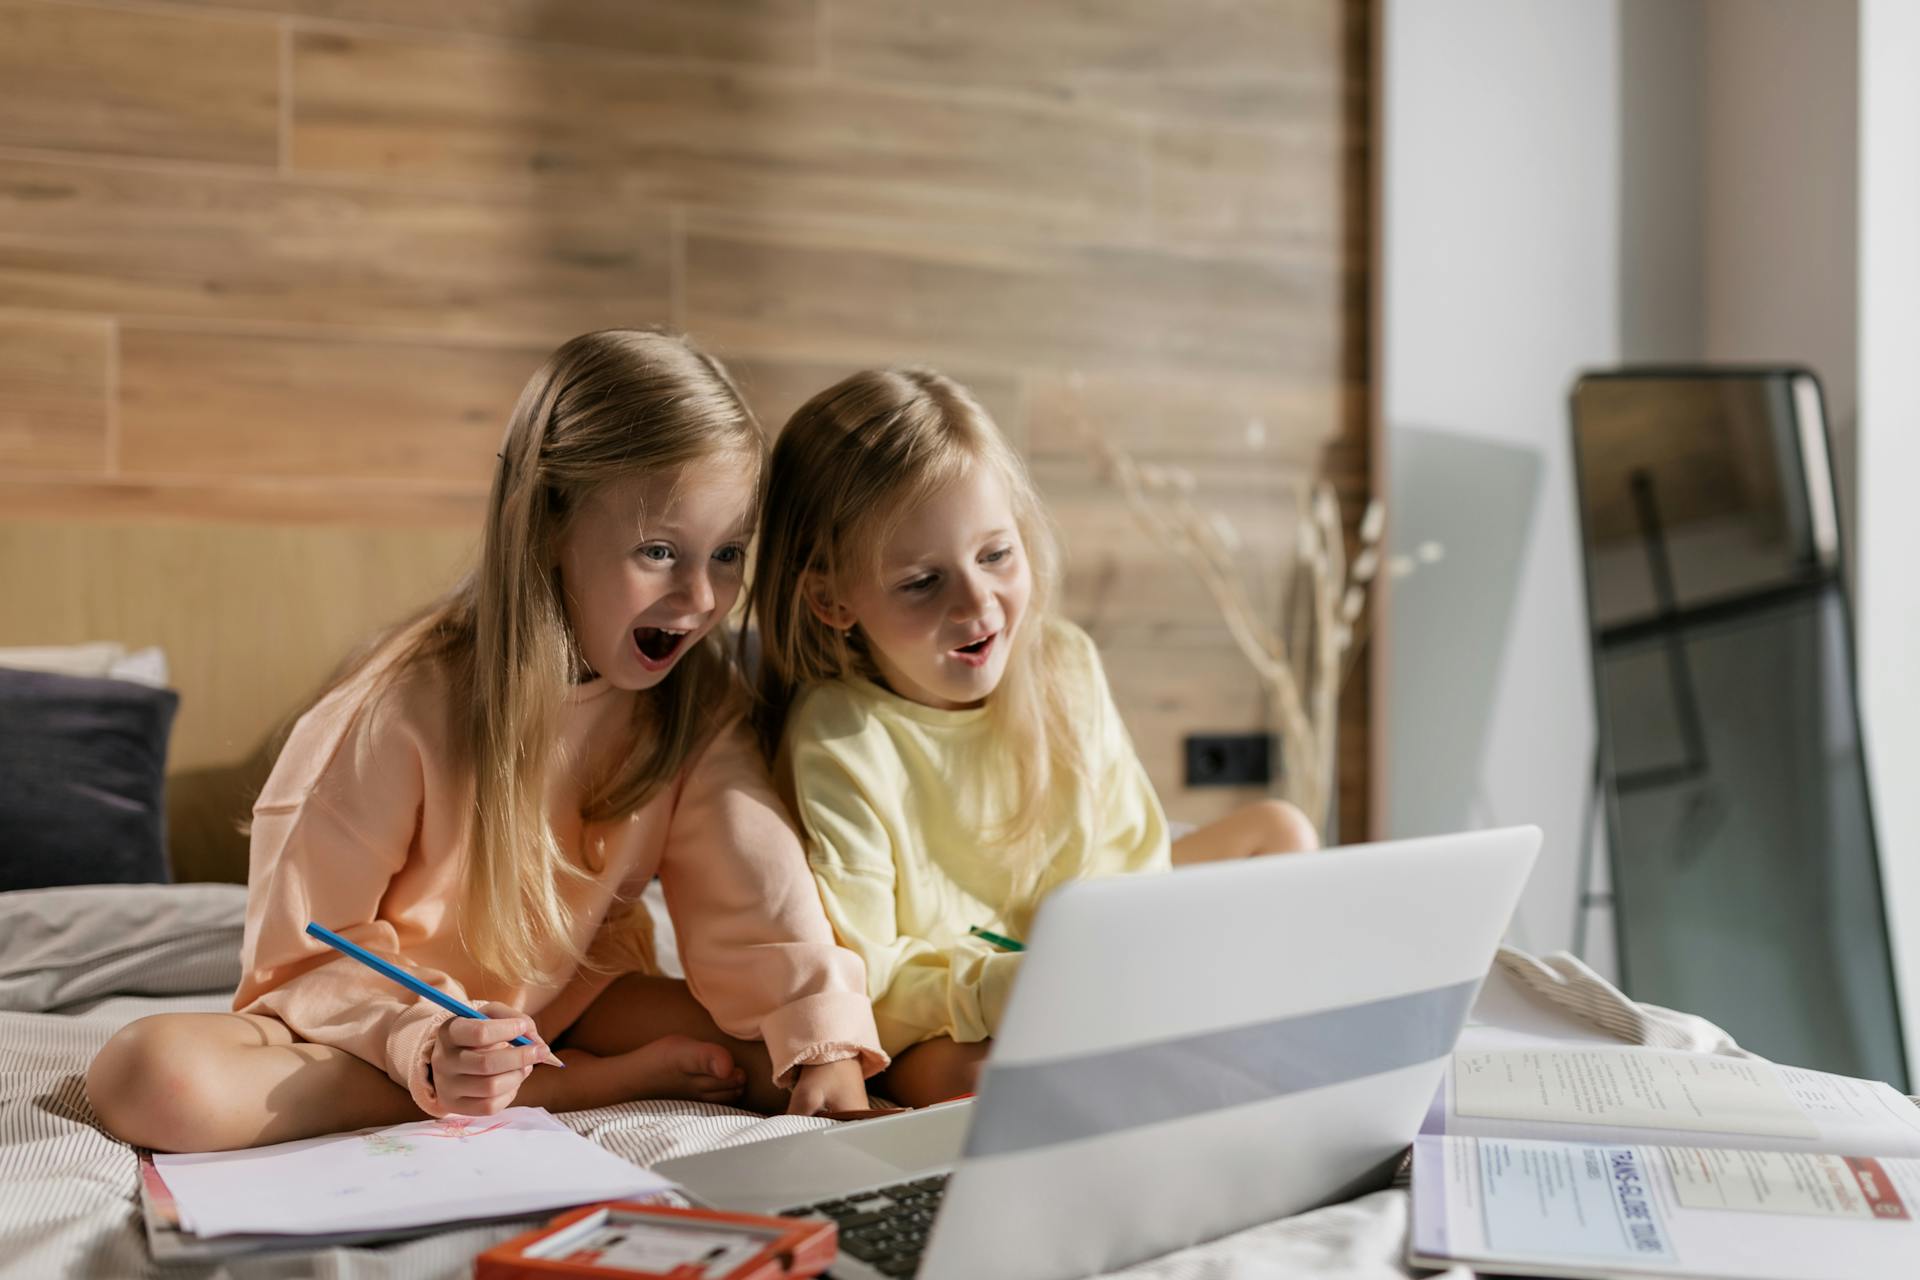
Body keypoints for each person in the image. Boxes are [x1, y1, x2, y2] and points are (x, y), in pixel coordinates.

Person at [87, 330, 886, 1153]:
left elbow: (757, 891)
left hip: (577, 1001)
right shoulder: (395, 705)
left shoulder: (698, 698)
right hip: (386, 1026)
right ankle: (563, 1087)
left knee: (815, 1039)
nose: (699, 596)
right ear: (544, 526)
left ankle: (540, 1074)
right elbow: (304, 958)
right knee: (151, 1074)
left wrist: (820, 1042)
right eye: (658, 552)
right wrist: (426, 1045)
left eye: (726, 555)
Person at [751, 367, 1318, 1107]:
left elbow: (1129, 860)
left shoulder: (1063, 663)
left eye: (995, 556)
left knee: (1282, 829)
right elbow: (874, 978)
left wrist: (1121, 957)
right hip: (960, 1007)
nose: (978, 603)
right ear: (831, 600)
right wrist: (1024, 984)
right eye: (923, 582)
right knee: (980, 1080)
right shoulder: (840, 736)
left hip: (1084, 952)